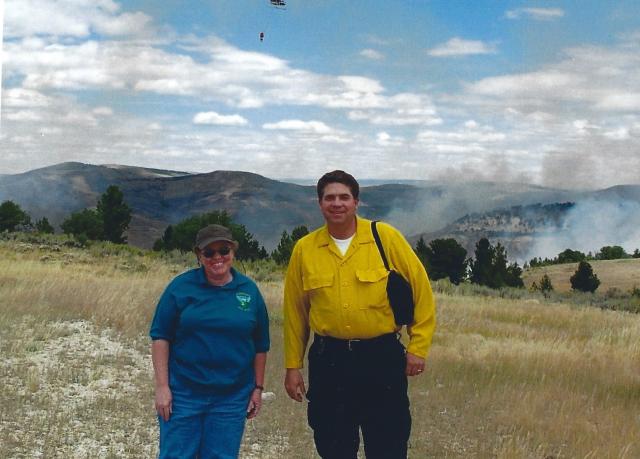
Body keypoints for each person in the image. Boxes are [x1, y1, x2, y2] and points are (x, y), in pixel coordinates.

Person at [283, 170, 436, 459]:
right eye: (330, 198)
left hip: (381, 358)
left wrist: (418, 347)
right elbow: (295, 312)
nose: (337, 203)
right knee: (333, 445)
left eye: (344, 197)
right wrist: (293, 365)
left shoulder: (385, 238)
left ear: (356, 202)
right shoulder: (305, 249)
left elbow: (421, 292)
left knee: (388, 444)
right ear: (319, 203)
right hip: (329, 361)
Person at [150, 224, 270, 459]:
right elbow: (160, 337)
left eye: (223, 250)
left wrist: (257, 388)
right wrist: (162, 387)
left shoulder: (249, 290)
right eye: (209, 253)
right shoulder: (180, 288)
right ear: (199, 255)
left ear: (233, 252)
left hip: (232, 396)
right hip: (184, 393)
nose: (218, 258)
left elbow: (260, 344)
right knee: (176, 455)